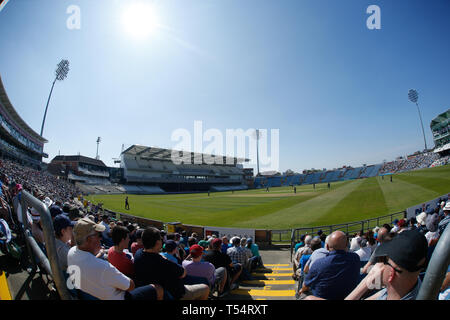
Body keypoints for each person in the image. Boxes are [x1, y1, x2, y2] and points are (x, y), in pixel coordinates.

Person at [67, 218, 162, 300]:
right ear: (88, 239)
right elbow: (131, 286)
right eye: (98, 235)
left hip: (90, 293)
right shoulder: (103, 267)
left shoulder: (71, 252)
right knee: (157, 288)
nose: (101, 239)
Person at [344, 230, 427, 300]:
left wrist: (366, 282)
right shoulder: (412, 282)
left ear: (391, 274)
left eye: (385, 261)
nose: (379, 264)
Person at [133, 227, 209, 300]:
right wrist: (166, 259)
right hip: (176, 294)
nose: (162, 240)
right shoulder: (162, 262)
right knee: (205, 288)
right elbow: (183, 273)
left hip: (156, 290)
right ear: (157, 242)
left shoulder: (138, 253)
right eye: (160, 239)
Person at [298, 231, 360, 300]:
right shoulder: (355, 258)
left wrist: (302, 290)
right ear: (346, 245)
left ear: (327, 246)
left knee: (303, 294)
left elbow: (305, 286)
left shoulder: (319, 263)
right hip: (349, 296)